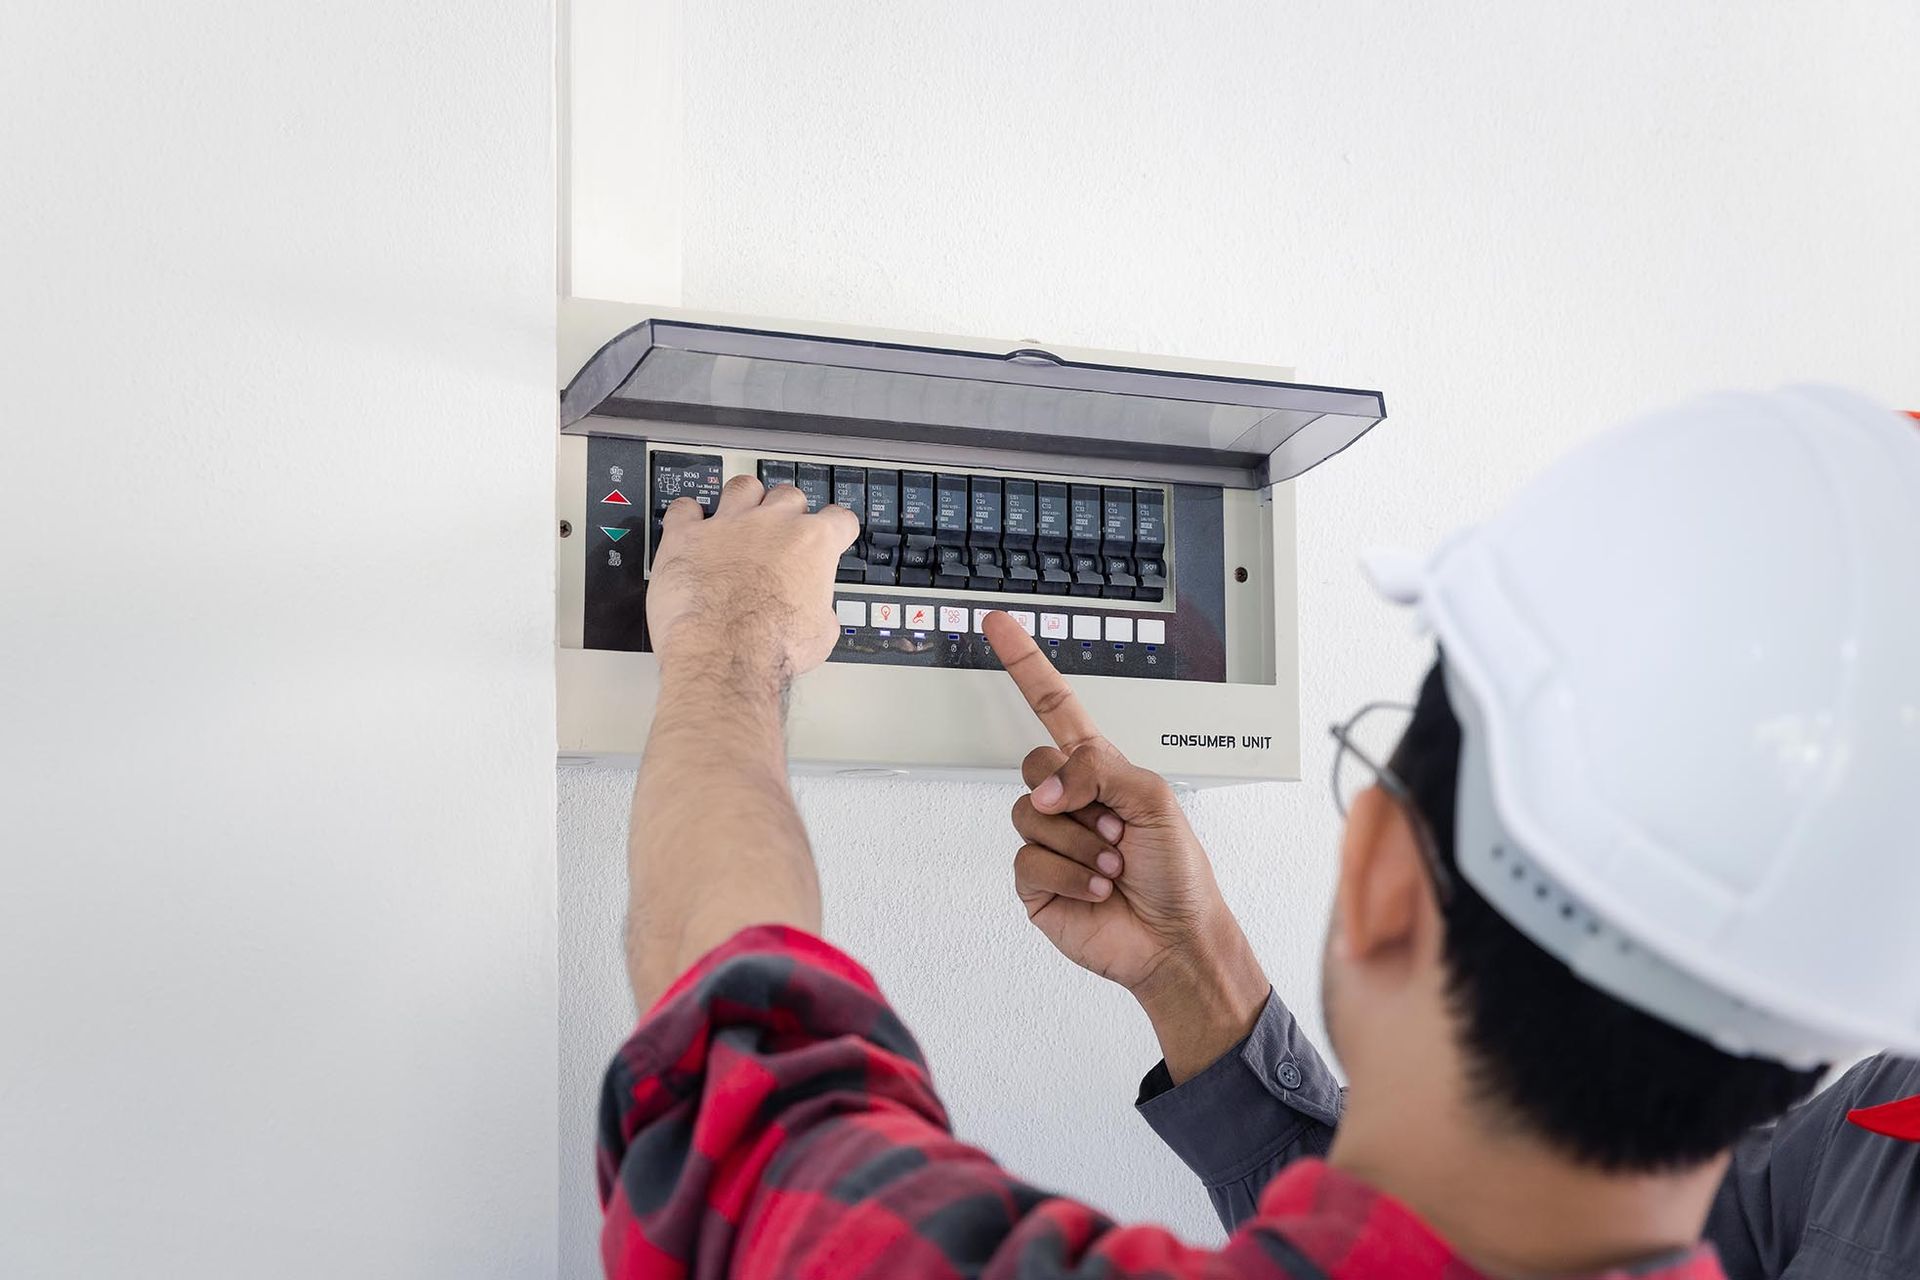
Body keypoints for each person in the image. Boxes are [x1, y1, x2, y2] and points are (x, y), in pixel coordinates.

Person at [597, 386, 1920, 1279]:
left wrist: (726, 648)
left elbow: (742, 1085)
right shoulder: (1824, 1186)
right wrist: (1191, 973)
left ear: (1386, 877)